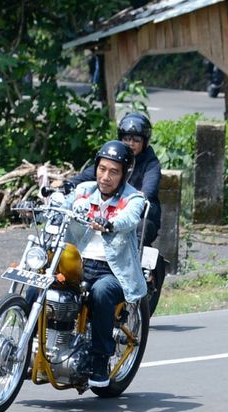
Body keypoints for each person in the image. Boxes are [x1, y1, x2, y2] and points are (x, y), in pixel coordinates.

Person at [64, 140, 147, 387]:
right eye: (102, 169)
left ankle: (100, 359)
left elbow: (130, 218)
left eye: (114, 171)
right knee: (42, 283)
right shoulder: (85, 191)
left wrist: (110, 224)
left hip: (112, 271)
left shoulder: (133, 198)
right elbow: (66, 201)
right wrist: (44, 205)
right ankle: (29, 346)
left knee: (100, 293)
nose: (106, 176)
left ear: (123, 174)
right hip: (77, 264)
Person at [70, 112, 161, 246]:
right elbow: (89, 174)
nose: (131, 143)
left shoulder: (151, 162)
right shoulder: (114, 156)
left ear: (145, 141)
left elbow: (150, 187)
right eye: (127, 139)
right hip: (108, 209)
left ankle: (131, 263)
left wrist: (141, 197)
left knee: (142, 228)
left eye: (136, 140)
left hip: (137, 213)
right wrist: (68, 184)